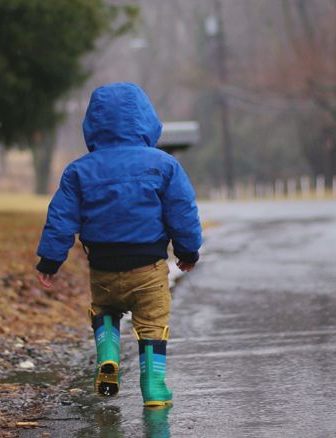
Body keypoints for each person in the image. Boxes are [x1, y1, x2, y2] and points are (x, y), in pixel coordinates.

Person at [35, 82, 202, 407]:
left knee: (105, 311)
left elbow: (61, 217)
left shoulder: (79, 170)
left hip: (103, 268)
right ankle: (153, 387)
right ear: (146, 119)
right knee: (152, 322)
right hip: (148, 268)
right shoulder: (163, 164)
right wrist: (187, 251)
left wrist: (49, 261)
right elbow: (182, 211)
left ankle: (108, 353)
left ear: (93, 123)